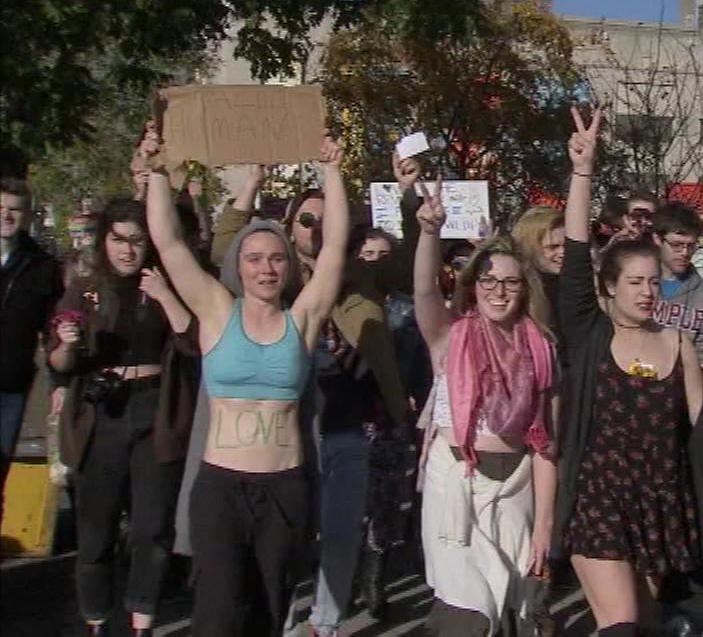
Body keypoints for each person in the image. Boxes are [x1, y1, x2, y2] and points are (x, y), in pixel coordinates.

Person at [145, 127, 350, 637]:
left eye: (276, 258)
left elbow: (336, 248)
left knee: (268, 611)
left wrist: (332, 171)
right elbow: (168, 242)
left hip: (284, 486)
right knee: (216, 614)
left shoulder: (301, 319)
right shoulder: (216, 311)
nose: (266, 268)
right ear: (238, 265)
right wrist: (154, 173)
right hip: (220, 488)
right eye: (254, 258)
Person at [211, 156, 419, 637]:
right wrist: (254, 183)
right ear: (288, 227)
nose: (316, 227)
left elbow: (411, 264)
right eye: (306, 219)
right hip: (287, 424)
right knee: (287, 534)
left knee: (343, 529)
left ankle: (324, 622)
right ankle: (281, 616)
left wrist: (407, 197)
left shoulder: (359, 274)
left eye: (327, 219)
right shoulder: (269, 279)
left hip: (351, 418)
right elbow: (223, 249)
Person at [555, 106, 703, 636]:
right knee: (619, 625)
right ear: (609, 289)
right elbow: (576, 254)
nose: (646, 291)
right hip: (598, 503)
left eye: (652, 282)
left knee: (645, 628)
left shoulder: (678, 342)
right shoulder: (592, 335)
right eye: (634, 282)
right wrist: (582, 172)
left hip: (658, 507)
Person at [413, 177, 559, 636]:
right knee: (469, 610)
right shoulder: (450, 336)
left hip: (516, 486)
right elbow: (424, 294)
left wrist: (544, 527)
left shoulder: (542, 349)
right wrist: (429, 234)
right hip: (455, 481)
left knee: (511, 610)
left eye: (510, 282)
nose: (498, 291)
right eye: (489, 280)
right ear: (473, 286)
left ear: (524, 288)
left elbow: (546, 447)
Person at [47, 197, 197, 636]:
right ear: (104, 240)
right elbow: (58, 362)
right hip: (101, 411)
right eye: (118, 240)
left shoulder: (163, 283)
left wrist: (167, 296)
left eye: (136, 241)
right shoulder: (85, 287)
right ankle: (96, 620)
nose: (127, 251)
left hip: (155, 410)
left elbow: (193, 344)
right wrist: (68, 343)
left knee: (152, 526)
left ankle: (142, 623)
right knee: (97, 532)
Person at [353, 225, 425, 620]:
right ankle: (342, 576)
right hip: (349, 415)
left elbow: (418, 362)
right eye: (368, 255)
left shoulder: (405, 308)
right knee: (349, 504)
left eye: (384, 256)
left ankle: (373, 577)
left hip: (391, 417)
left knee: (383, 503)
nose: (376, 264)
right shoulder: (343, 301)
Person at [0, 178, 64, 504]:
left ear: (26, 215)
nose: (6, 216)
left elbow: (51, 329)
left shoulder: (41, 266)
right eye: (1, 208)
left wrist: (59, 382)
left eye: (14, 209)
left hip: (10, 383)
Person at [651, 202, 703, 388]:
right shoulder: (637, 283)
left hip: (678, 390)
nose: (684, 253)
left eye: (691, 246)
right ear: (657, 239)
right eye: (676, 245)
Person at [513, 205, 566, 337]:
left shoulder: (575, 284)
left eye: (567, 245)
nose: (563, 253)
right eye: (553, 247)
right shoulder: (517, 289)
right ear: (530, 247)